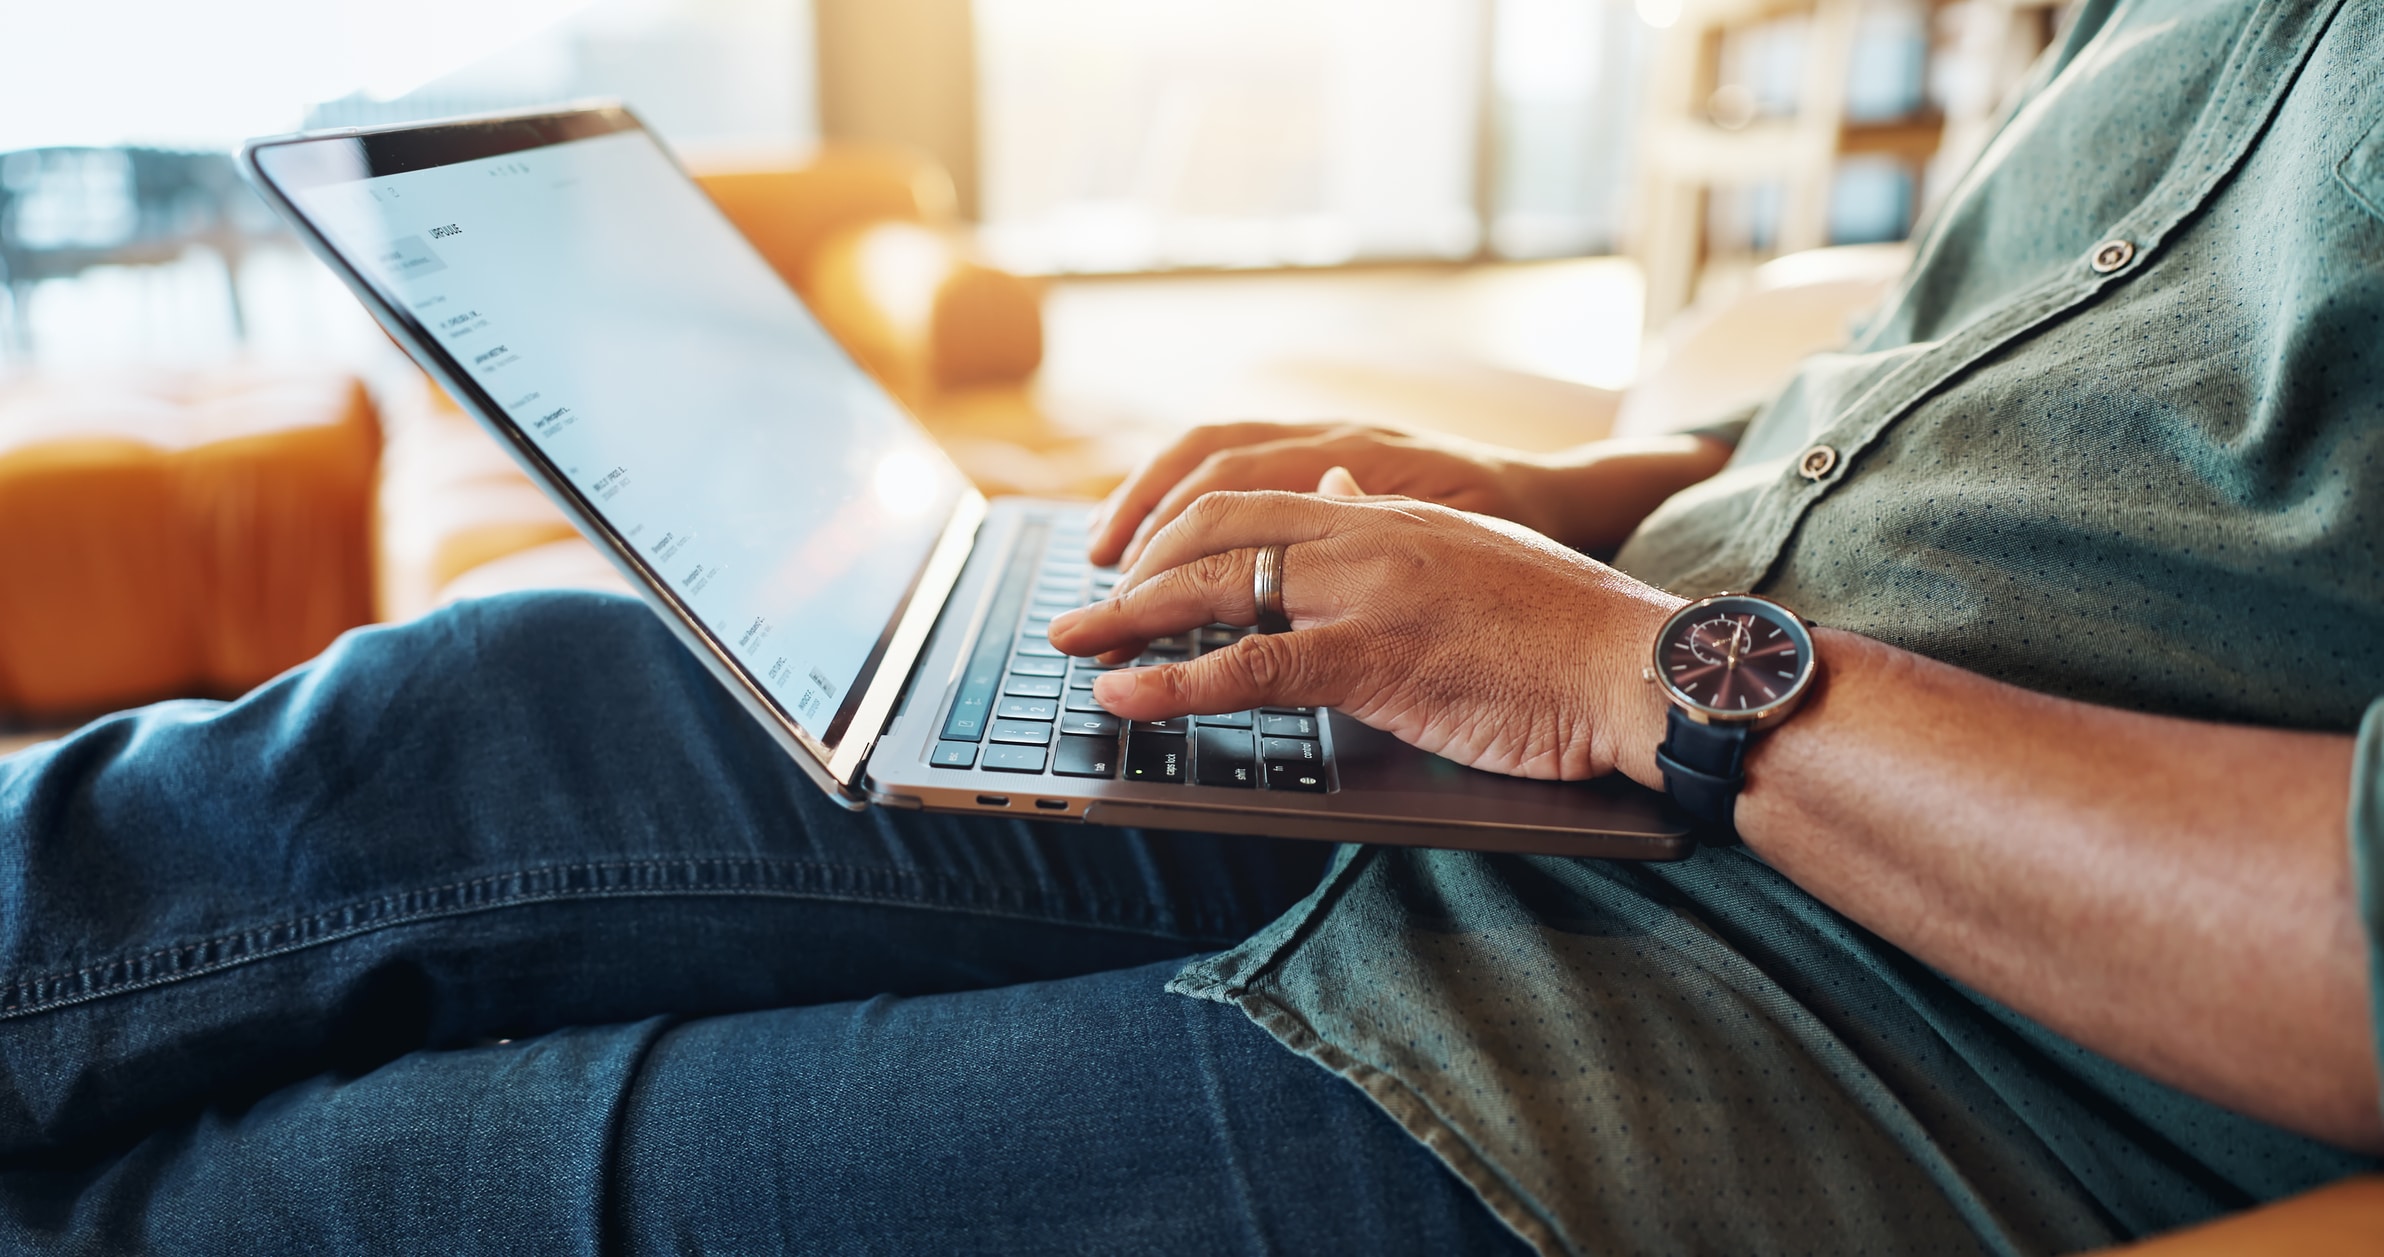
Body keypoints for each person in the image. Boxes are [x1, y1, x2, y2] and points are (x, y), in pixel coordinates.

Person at [3, 0, 2381, 1250]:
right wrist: (1584, 499)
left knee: (315, 1192)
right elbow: (2018, 405)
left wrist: (1624, 669)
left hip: (1853, 1028)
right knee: (462, 717)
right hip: (1588, 733)